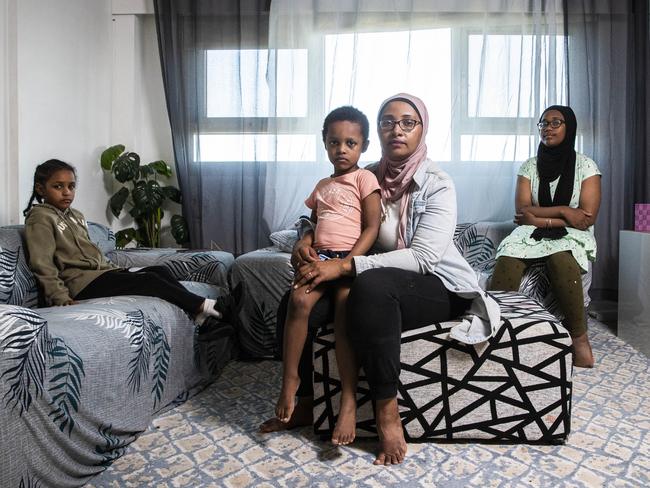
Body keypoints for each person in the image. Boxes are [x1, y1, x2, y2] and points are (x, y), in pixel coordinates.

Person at [260, 94, 501, 466]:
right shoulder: (367, 173)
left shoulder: (437, 183)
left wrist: (343, 268)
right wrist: (305, 239)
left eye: (408, 122)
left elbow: (422, 258)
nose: (397, 130)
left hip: (436, 285)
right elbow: (329, 212)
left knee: (371, 288)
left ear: (423, 129)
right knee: (297, 293)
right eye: (388, 122)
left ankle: (387, 413)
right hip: (376, 278)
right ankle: (306, 402)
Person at [274, 106, 381, 446]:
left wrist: (350, 262)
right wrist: (305, 241)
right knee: (298, 300)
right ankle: (290, 381)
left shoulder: (366, 179)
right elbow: (311, 222)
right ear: (324, 143)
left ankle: (348, 399)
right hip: (320, 259)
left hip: (349, 263)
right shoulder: (322, 185)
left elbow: (373, 227)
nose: (342, 149)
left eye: (351, 143)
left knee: (344, 315)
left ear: (363, 146)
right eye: (335, 142)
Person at [23, 159, 230, 324]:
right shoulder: (40, 217)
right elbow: (42, 263)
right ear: (41, 189)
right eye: (58, 186)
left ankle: (200, 312)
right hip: (81, 284)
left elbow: (90, 252)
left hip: (100, 275)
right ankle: (209, 307)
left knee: (160, 272)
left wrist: (115, 271)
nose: (67, 192)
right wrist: (59, 298)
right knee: (151, 281)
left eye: (71, 186)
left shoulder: (75, 215)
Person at [488, 105, 601, 368]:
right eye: (543, 123)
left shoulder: (587, 167)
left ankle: (580, 340)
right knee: (507, 256)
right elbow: (522, 212)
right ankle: (494, 331)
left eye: (555, 122)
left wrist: (551, 214)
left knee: (561, 259)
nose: (547, 128)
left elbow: (585, 218)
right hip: (531, 232)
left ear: (569, 127)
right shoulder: (529, 166)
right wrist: (565, 213)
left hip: (573, 235)